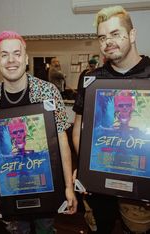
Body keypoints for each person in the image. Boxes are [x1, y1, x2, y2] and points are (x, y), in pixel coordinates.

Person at [0, 30, 78, 234]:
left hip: (45, 186)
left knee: (45, 229)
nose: (11, 60)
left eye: (16, 53)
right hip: (10, 188)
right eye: (4, 54)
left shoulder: (48, 93)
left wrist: (68, 186)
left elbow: (62, 140)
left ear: (25, 59)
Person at [72, 5, 150, 234]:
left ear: (132, 35)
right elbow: (79, 128)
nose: (108, 42)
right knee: (100, 226)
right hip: (99, 181)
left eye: (115, 34)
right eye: (102, 37)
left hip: (141, 183)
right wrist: (85, 166)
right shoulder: (91, 79)